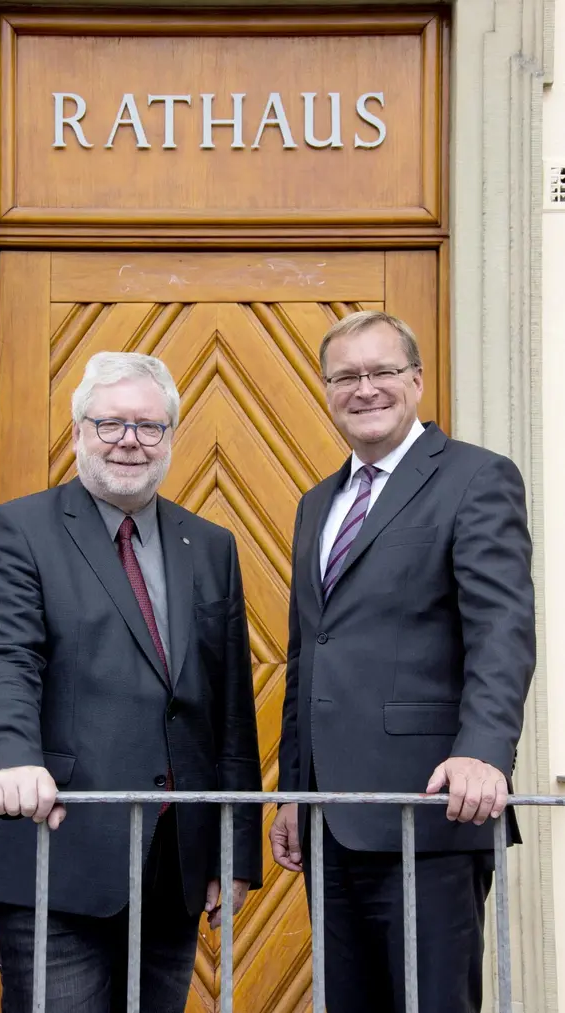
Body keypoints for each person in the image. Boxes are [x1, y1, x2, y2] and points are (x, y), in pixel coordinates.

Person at [0, 351, 262, 1013]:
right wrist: (8, 758)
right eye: (110, 423)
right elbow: (7, 658)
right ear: (77, 434)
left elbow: (230, 706)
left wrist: (234, 847)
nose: (129, 440)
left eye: (148, 426)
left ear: (170, 438)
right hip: (56, 846)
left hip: (174, 866)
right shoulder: (18, 529)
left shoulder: (210, 545)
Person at [269, 311, 535, 1013]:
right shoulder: (316, 503)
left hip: (433, 805)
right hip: (333, 816)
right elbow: (308, 654)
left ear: (416, 380)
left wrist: (485, 752)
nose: (365, 389)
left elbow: (502, 629)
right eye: (346, 376)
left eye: (383, 371)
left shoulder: (477, 478)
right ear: (327, 390)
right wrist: (296, 789)